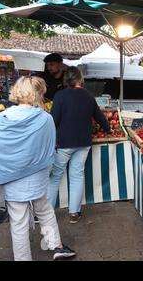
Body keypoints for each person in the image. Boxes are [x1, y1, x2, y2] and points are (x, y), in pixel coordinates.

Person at [0, 76, 76, 261]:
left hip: (9, 179)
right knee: (44, 209)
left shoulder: (1, 119)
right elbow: (50, 149)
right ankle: (55, 245)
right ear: (38, 93)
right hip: (37, 177)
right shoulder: (45, 118)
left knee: (18, 222)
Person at [47, 67, 110, 224]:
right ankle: (74, 213)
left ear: (66, 79)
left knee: (55, 177)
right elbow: (100, 118)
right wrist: (107, 129)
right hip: (83, 143)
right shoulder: (88, 96)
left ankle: (46, 215)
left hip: (63, 144)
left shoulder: (60, 96)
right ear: (80, 79)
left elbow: (53, 121)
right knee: (76, 176)